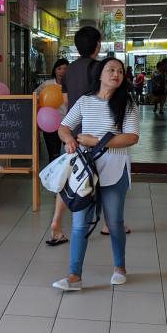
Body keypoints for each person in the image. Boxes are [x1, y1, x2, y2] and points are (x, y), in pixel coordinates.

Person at [52, 57, 140, 291]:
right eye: (110, 70)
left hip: (115, 168)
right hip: (86, 170)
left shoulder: (128, 103)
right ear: (100, 75)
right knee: (80, 224)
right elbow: (63, 127)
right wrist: (69, 138)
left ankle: (119, 267)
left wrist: (96, 141)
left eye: (120, 71)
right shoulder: (85, 101)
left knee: (114, 222)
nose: (116, 74)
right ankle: (74, 277)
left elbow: (131, 137)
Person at [48, 27, 101, 245]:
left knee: (67, 179)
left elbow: (69, 102)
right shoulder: (99, 68)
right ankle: (108, 224)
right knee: (102, 179)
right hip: (94, 133)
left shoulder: (68, 71)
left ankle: (57, 222)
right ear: (97, 44)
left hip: (72, 130)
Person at [34, 58, 69, 162]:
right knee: (54, 156)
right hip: (50, 124)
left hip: (68, 123)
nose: (62, 71)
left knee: (71, 154)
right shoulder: (47, 84)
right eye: (59, 68)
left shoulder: (72, 85)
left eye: (65, 69)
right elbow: (34, 96)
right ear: (55, 70)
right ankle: (53, 177)